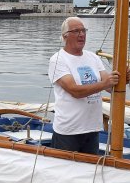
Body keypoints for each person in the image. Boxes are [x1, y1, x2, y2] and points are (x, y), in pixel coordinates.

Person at [48, 17, 121, 154]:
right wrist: (104, 83)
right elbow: (75, 91)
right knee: (66, 172)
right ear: (65, 36)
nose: (81, 34)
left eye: (83, 31)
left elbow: (110, 87)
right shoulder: (58, 60)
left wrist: (122, 79)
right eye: (76, 31)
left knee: (90, 172)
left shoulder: (93, 57)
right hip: (69, 131)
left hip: (92, 128)